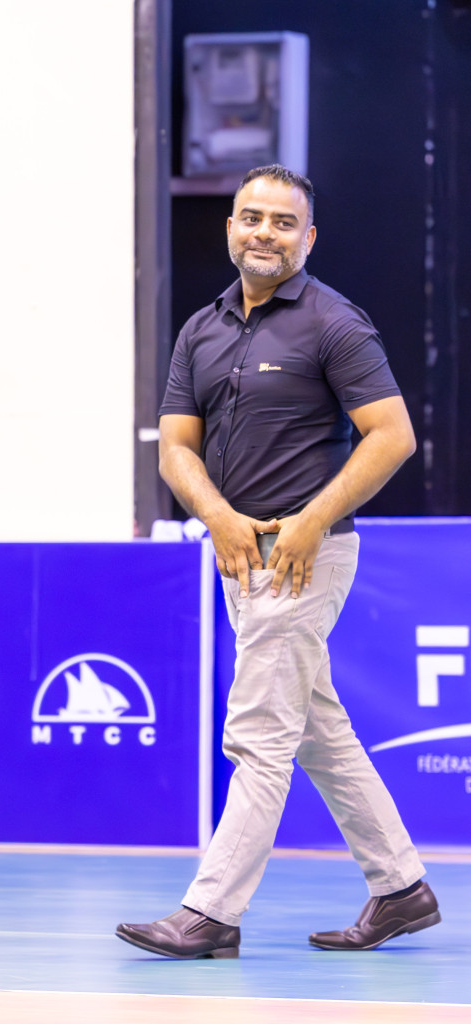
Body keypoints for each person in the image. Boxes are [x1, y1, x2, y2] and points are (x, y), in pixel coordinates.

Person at [117, 165, 437, 959]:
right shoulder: (203, 328)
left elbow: (392, 435)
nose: (264, 232)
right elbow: (177, 448)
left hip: (306, 559)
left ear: (308, 237)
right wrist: (219, 518)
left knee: (259, 734)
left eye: (283, 222)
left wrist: (309, 522)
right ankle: (401, 888)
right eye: (251, 218)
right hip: (239, 555)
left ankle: (211, 913)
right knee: (318, 731)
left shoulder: (335, 324)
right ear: (230, 227)